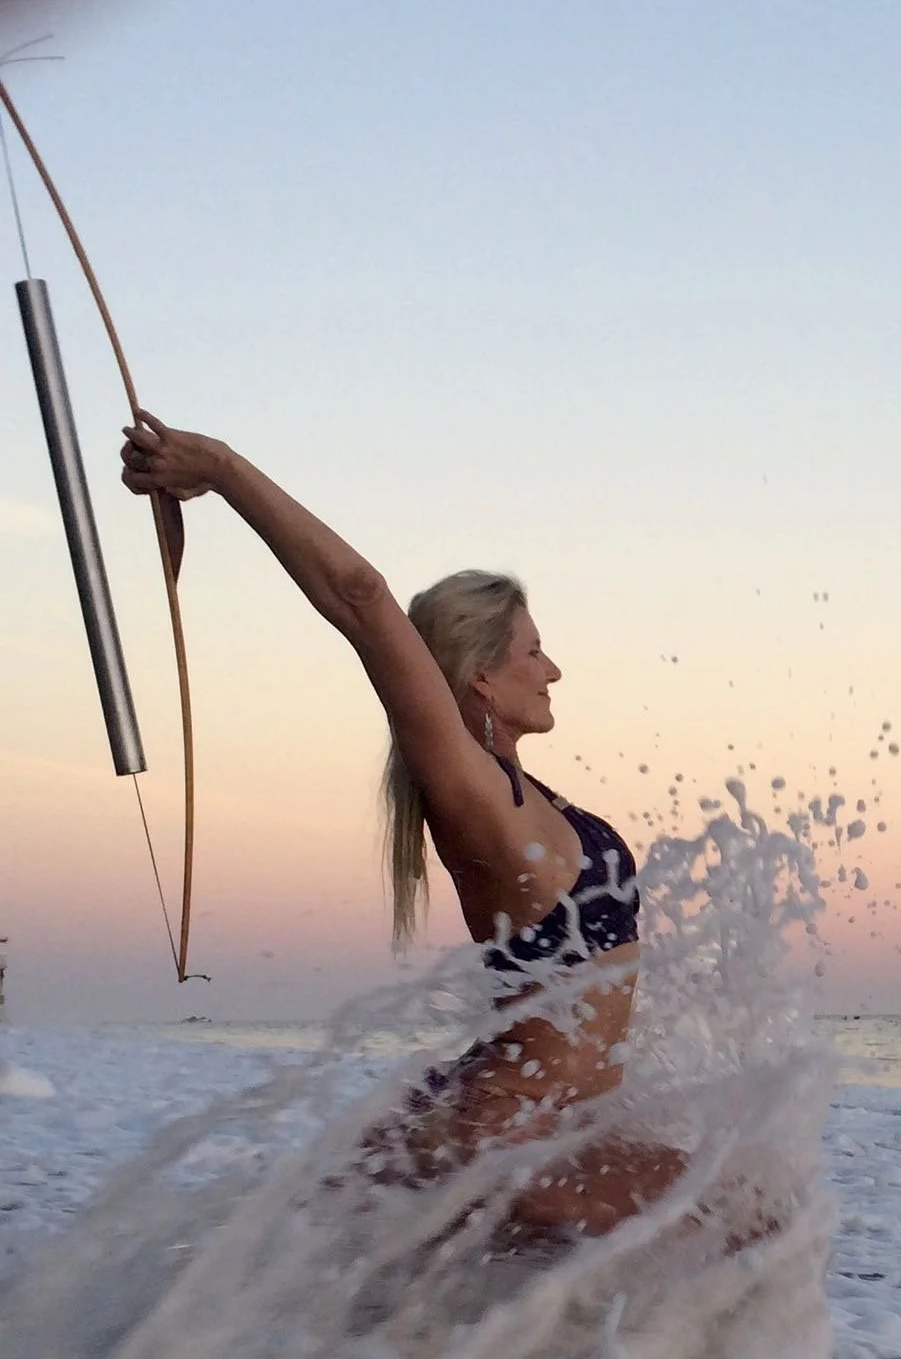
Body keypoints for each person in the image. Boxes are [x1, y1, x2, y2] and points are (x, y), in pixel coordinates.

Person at [120, 412, 682, 1240]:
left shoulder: (526, 795)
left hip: (528, 1123)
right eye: (533, 650)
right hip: (508, 1134)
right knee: (753, 1212)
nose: (553, 668)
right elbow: (359, 599)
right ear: (481, 676)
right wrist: (222, 468)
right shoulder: (473, 796)